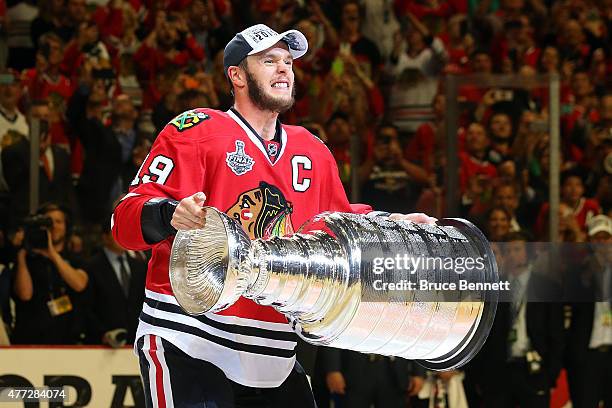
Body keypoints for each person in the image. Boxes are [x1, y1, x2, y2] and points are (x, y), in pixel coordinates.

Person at [111, 23, 437, 408]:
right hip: (188, 338)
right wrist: (168, 214)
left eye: (288, 61)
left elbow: (338, 222)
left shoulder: (312, 149)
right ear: (236, 75)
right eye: (268, 61)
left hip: (273, 351)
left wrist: (391, 224)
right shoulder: (196, 130)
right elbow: (123, 222)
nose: (284, 68)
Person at [11, 203, 88, 344]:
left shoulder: (74, 259)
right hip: (29, 339)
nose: (53, 226)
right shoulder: (27, 258)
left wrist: (52, 254)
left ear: (67, 227)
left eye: (58, 221)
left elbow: (79, 284)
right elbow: (24, 294)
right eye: (47, 221)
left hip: (67, 339)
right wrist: (22, 254)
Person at [84, 223, 146, 347]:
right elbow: (86, 306)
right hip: (104, 343)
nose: (122, 237)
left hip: (137, 341)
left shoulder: (139, 266)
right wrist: (102, 334)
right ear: (105, 237)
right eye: (116, 232)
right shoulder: (91, 267)